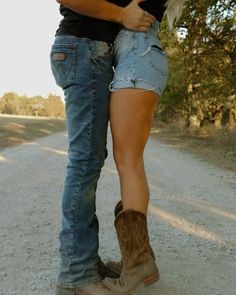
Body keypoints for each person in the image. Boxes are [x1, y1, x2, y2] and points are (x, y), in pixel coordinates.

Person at [50, 0, 155, 294]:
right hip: (84, 48)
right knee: (84, 161)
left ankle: (84, 259)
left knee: (90, 159)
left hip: (87, 50)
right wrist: (122, 14)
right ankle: (76, 274)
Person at [101, 0, 186, 294]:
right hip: (138, 52)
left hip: (138, 52)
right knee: (127, 159)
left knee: (129, 160)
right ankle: (134, 260)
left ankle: (138, 263)